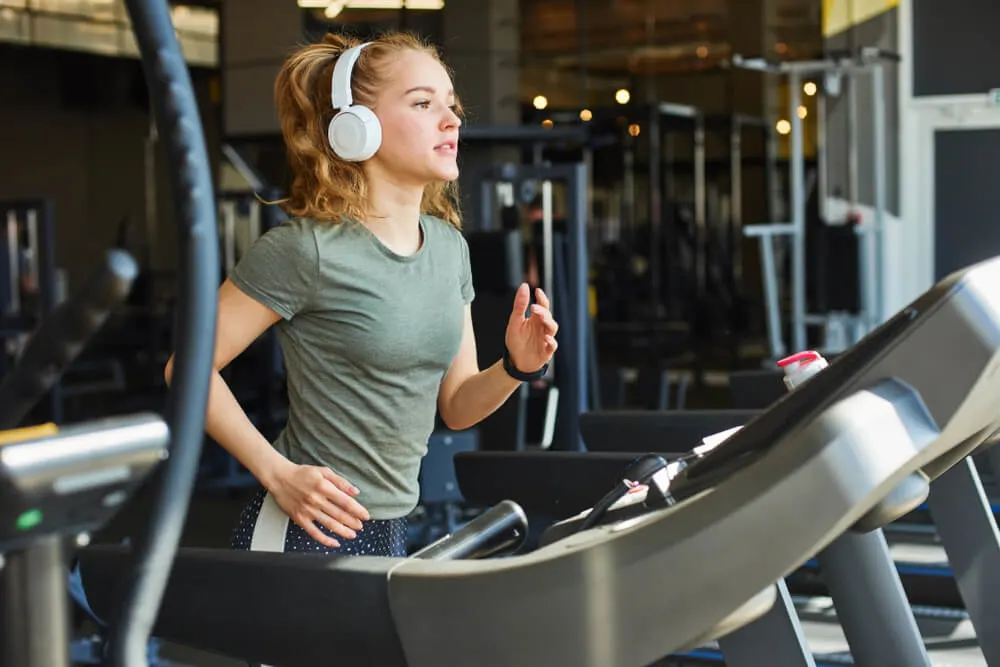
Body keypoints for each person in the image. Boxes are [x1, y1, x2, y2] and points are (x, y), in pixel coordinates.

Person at [164, 31, 560, 558]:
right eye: (423, 103)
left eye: (452, 105)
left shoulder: (448, 248)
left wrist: (516, 367)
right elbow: (185, 369)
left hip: (391, 528)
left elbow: (459, 405)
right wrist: (277, 473)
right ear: (357, 126)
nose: (451, 119)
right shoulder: (305, 250)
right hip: (301, 529)